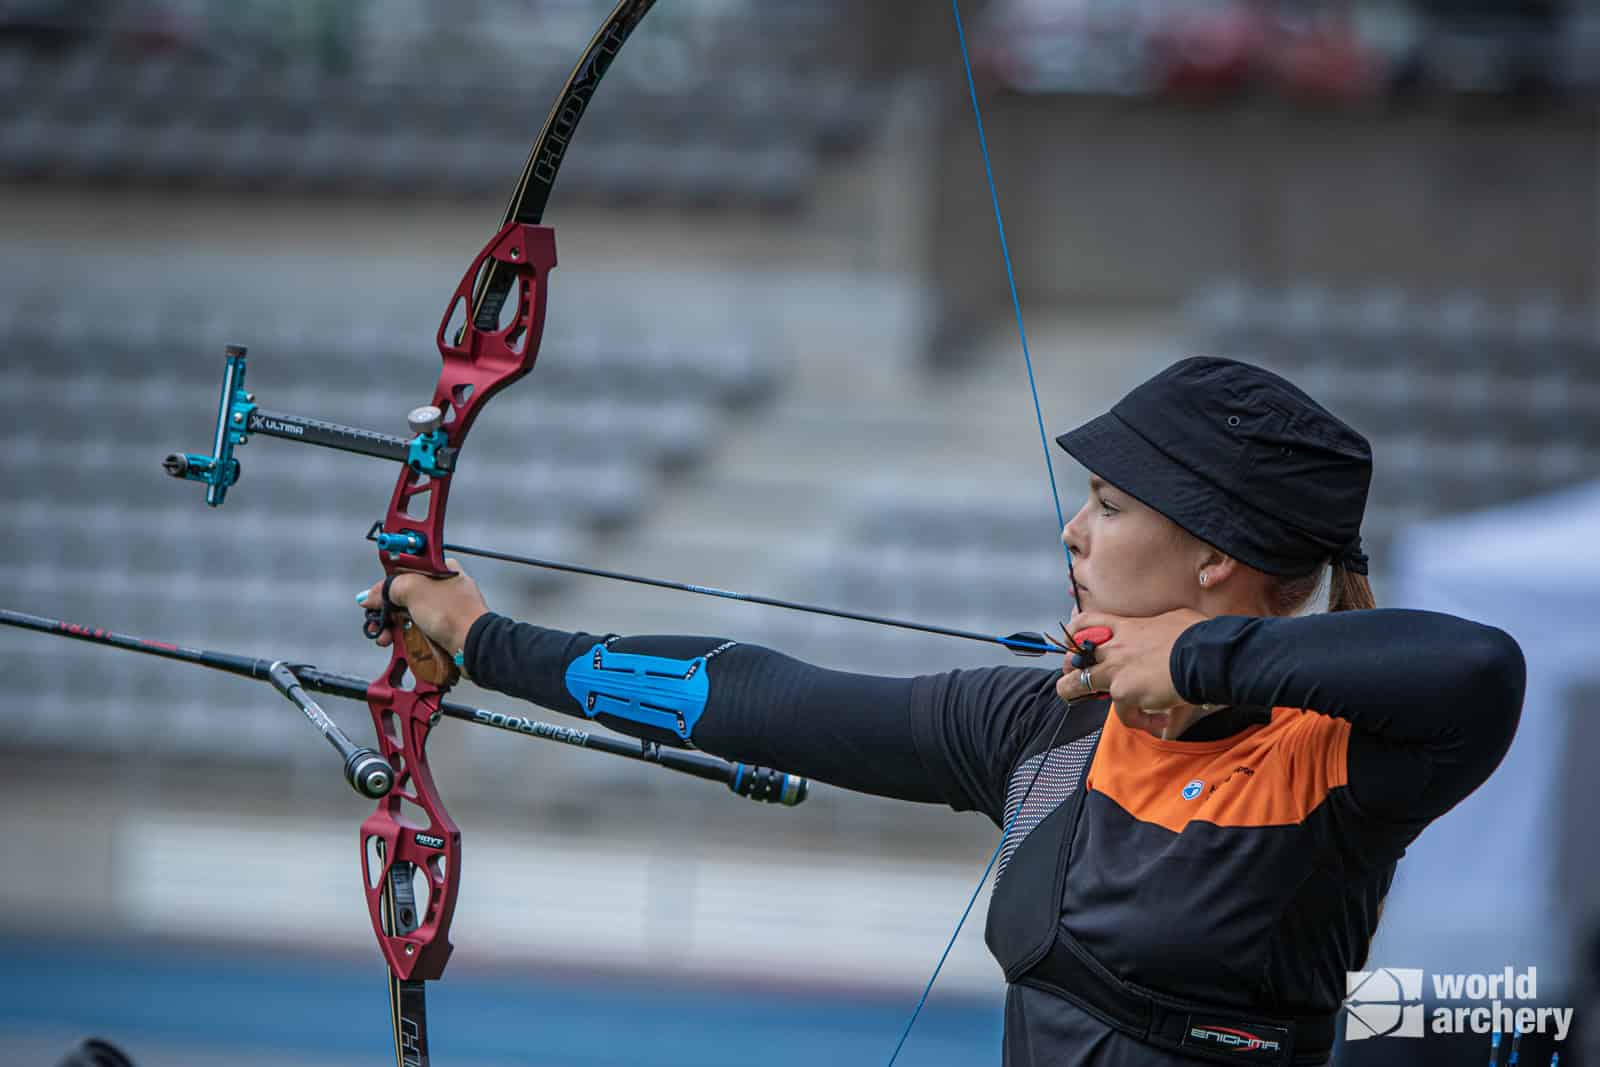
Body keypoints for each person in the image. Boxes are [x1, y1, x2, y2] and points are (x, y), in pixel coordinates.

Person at [363, 356, 1526, 1066]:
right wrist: (487, 641)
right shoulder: (1047, 729)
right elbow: (760, 698)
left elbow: (1476, 669)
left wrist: (1208, 660)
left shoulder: (1330, 761)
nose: (1074, 530)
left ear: (1214, 554)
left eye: (1109, 505)